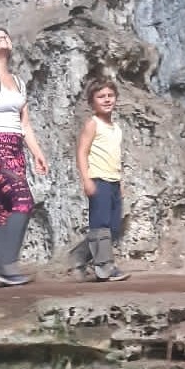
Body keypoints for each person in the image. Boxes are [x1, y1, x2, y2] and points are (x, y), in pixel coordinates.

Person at [0, 27, 48, 289]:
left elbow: (25, 124)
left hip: (16, 148)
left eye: (5, 35)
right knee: (23, 202)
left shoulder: (18, 81)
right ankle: (8, 266)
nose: (2, 37)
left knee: (5, 211)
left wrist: (37, 153)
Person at [68, 77, 130, 282]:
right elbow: (82, 152)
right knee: (100, 225)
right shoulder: (92, 124)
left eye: (110, 95)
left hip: (113, 181)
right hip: (98, 179)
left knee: (114, 227)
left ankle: (79, 255)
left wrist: (120, 182)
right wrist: (86, 180)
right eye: (101, 96)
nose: (107, 99)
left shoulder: (116, 128)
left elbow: (116, 157)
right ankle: (105, 267)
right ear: (92, 102)